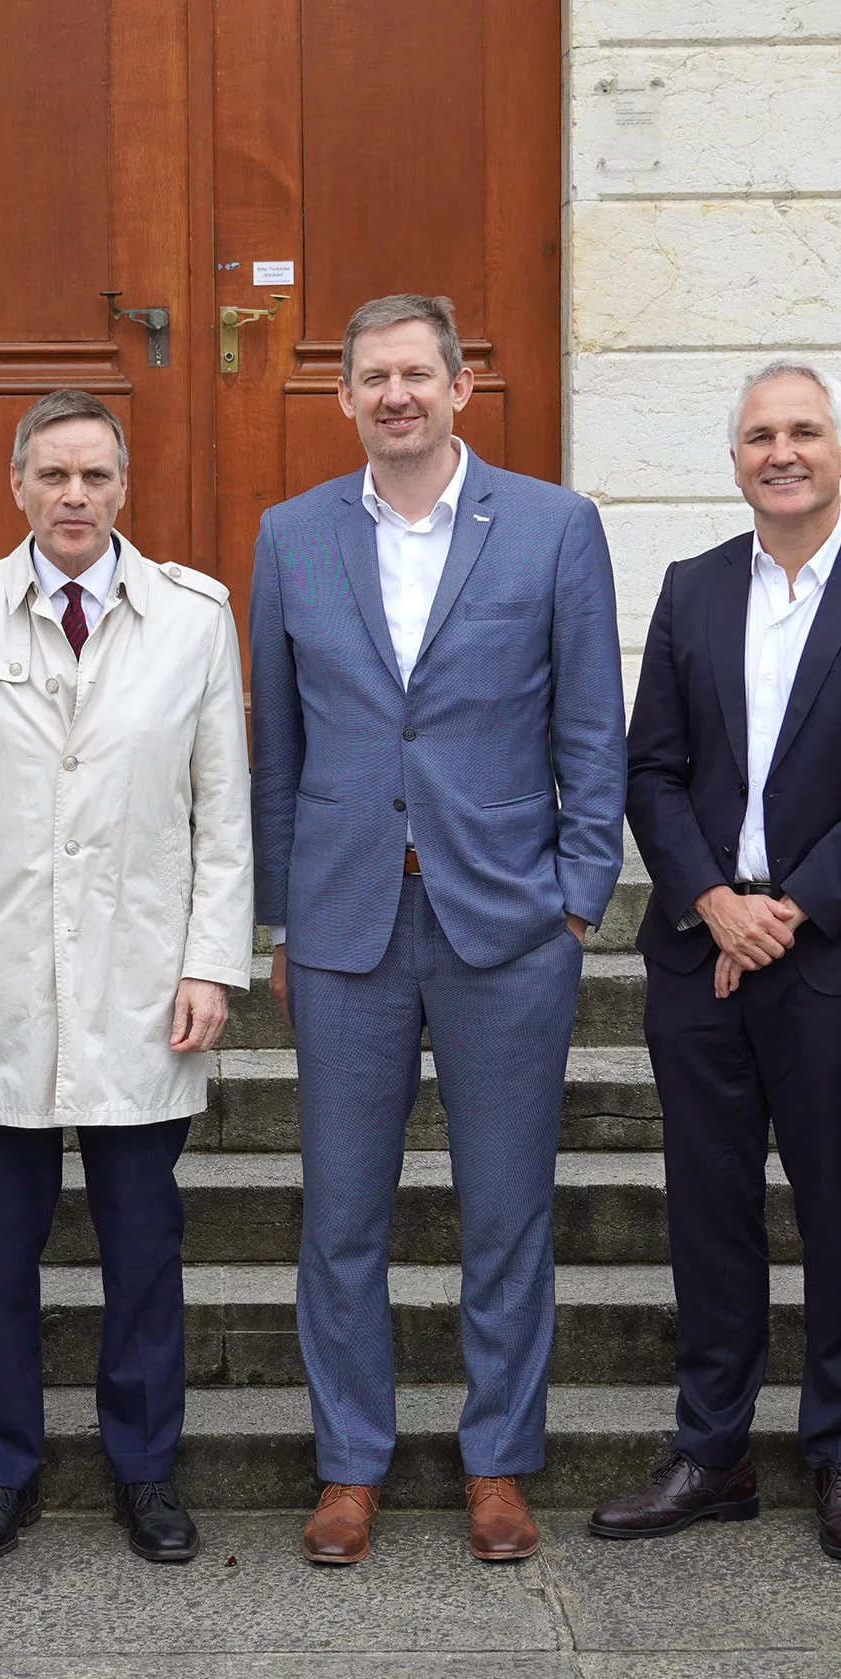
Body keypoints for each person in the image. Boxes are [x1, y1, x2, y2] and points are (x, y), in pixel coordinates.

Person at [250, 293, 625, 1567]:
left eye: (418, 372)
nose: (396, 394)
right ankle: (350, 1464)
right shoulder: (291, 535)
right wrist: (282, 914)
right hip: (349, 920)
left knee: (507, 1210)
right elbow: (277, 745)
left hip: (507, 922)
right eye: (373, 377)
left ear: (464, 385)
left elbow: (592, 725)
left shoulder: (555, 527)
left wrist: (578, 896)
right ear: (345, 397)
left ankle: (498, 1462)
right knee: (342, 1216)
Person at [592, 362, 841, 1563]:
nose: (782, 451)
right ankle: (713, 1450)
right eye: (760, 434)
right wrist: (710, 897)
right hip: (700, 947)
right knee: (706, 1206)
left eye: (804, 431)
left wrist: (786, 909)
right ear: (737, 458)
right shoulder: (694, 588)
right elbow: (649, 769)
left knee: (837, 1204)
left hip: (839, 958)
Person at [0, 390, 252, 1566]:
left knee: (145, 1247)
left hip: (144, 981)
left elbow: (223, 815)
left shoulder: (193, 617)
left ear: (123, 486)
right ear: (18, 486)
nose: (75, 497)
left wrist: (210, 962)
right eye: (53, 476)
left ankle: (145, 1467)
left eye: (95, 476)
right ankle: (2, 1469)